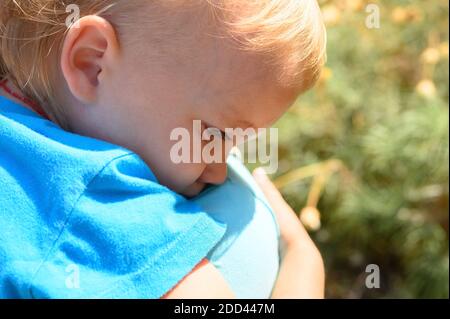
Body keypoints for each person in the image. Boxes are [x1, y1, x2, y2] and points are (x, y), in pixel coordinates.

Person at [0, 0, 326, 298]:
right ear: (91, 63)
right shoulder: (97, 204)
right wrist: (304, 262)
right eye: (218, 134)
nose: (219, 171)